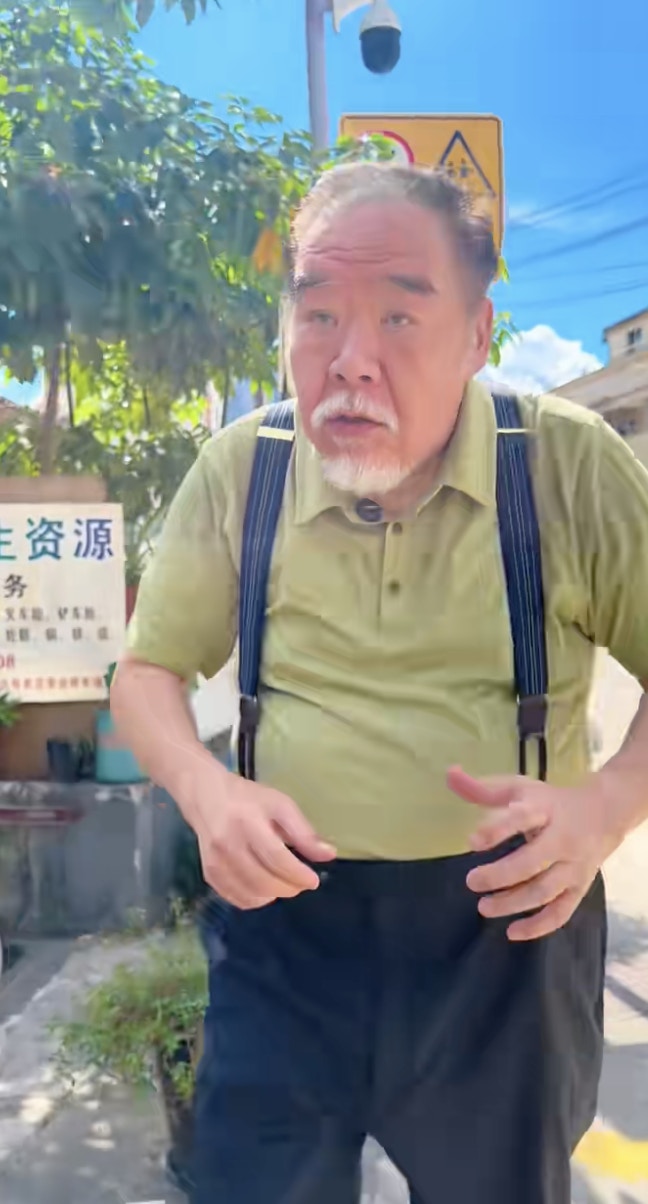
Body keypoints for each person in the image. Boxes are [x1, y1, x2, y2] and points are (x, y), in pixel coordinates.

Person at [111, 162, 648, 1204]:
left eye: (400, 317)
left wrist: (604, 807)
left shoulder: (567, 465)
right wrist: (207, 792)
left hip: (508, 939)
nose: (349, 360)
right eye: (318, 315)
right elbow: (145, 672)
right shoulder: (246, 468)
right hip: (283, 932)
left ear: (478, 334)